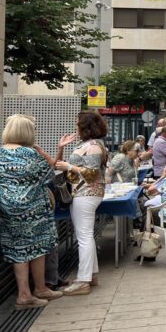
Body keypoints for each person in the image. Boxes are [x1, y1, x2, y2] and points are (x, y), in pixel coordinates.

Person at [0, 115, 63, 309]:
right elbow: (50, 174)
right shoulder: (29, 154)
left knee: (19, 251)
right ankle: (39, 289)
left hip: (9, 209)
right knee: (38, 248)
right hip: (33, 209)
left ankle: (24, 294)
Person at [54, 111, 108, 296]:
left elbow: (92, 172)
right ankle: (90, 275)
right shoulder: (90, 145)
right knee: (86, 236)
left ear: (85, 126)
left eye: (78, 123)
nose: (76, 125)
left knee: (84, 237)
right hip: (85, 193)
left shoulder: (92, 146)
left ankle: (83, 280)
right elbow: (58, 164)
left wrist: (69, 166)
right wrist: (61, 149)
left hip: (86, 193)